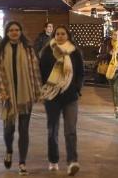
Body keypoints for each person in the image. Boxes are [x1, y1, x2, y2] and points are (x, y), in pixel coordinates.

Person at [0, 21, 43, 175]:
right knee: (9, 129)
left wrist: (37, 91)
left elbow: (34, 71)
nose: (14, 32)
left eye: (17, 30)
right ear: (7, 33)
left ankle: (22, 162)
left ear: (21, 31)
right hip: (8, 95)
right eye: (11, 30)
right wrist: (2, 92)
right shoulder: (0, 50)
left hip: (25, 94)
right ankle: (9, 150)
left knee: (23, 130)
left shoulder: (28, 49)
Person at [39, 25, 84, 176]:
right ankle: (53, 159)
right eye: (57, 34)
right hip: (52, 97)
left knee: (70, 130)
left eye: (63, 34)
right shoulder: (47, 52)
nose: (59, 36)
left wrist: (77, 88)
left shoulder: (74, 52)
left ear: (68, 35)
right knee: (53, 130)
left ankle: (72, 162)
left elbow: (80, 73)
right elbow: (41, 72)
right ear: (54, 36)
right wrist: (46, 89)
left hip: (70, 96)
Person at [98, 28, 118, 119]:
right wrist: (108, 54)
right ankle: (115, 108)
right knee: (113, 91)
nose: (117, 36)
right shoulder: (107, 45)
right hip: (110, 71)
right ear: (112, 35)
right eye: (115, 35)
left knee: (117, 90)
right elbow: (100, 56)